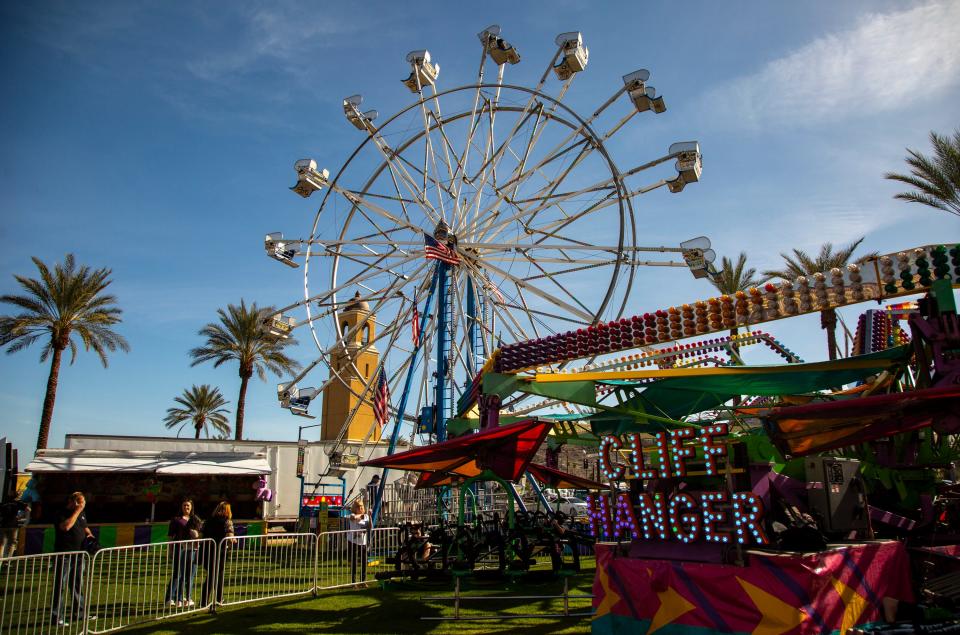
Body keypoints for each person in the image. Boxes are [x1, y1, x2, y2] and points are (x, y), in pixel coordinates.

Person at [51, 492, 95, 627]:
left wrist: (90, 535)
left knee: (77, 583)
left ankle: (80, 612)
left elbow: (84, 526)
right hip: (64, 554)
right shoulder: (62, 513)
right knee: (60, 585)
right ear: (73, 502)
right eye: (81, 503)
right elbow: (66, 527)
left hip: (79, 553)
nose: (83, 506)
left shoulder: (82, 513)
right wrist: (77, 511)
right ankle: (57, 616)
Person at [165, 499, 201, 608]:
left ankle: (181, 597)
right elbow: (170, 536)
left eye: (188, 506)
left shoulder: (195, 519)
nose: (186, 507)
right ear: (181, 507)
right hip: (178, 548)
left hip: (191, 549)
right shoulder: (176, 520)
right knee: (177, 573)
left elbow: (200, 533)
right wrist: (170, 550)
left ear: (191, 507)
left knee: (188, 574)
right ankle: (170, 598)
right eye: (184, 505)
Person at [201, 501, 235, 607]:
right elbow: (230, 535)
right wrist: (233, 541)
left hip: (207, 550)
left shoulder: (208, 521)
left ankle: (217, 598)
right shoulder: (227, 521)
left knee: (214, 575)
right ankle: (207, 601)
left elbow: (201, 533)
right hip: (220, 551)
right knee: (214, 575)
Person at [346, 499, 369, 583]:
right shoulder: (352, 514)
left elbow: (368, 523)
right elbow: (352, 517)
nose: (360, 508)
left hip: (363, 542)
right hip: (353, 541)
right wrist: (360, 516)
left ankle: (363, 581)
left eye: (361, 507)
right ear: (355, 508)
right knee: (354, 562)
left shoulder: (366, 516)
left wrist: (363, 516)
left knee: (364, 562)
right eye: (358, 507)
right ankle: (354, 581)